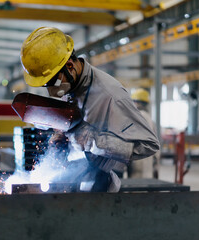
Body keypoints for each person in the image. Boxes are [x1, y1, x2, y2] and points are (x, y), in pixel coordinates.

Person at [20, 27, 159, 192]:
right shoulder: (71, 84)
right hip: (73, 179)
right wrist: (62, 132)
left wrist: (93, 140)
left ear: (70, 66)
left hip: (99, 188)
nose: (51, 91)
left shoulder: (111, 95)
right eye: (45, 85)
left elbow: (148, 145)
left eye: (52, 83)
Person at [128, 88, 161, 179]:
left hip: (138, 159)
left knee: (136, 186)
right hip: (148, 159)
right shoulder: (149, 118)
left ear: (137, 102)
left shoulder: (138, 116)